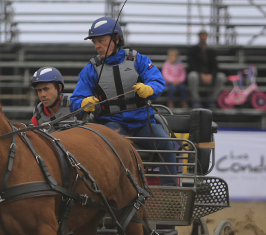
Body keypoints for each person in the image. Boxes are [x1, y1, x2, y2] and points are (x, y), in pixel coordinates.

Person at [70, 16, 178, 186]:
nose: (97, 45)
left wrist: (149, 89)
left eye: (101, 40)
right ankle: (111, 191)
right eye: (94, 42)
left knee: (166, 142)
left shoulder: (138, 60)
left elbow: (157, 81)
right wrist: (83, 104)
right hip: (111, 124)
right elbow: (76, 99)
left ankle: (172, 193)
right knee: (107, 148)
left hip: (143, 122)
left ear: (117, 39)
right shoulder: (90, 70)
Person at [186, 30, 226, 109]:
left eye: (204, 35)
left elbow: (215, 66)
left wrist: (211, 75)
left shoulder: (212, 51)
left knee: (221, 77)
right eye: (201, 35)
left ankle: (212, 99)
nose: (203, 37)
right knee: (192, 76)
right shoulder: (193, 50)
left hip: (210, 77)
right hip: (198, 76)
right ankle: (196, 100)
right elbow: (192, 65)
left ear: (207, 36)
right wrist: (201, 74)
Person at [30, 66, 75, 131]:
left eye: (46, 89)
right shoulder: (37, 116)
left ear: (59, 88)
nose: (43, 95)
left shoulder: (75, 104)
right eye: (39, 90)